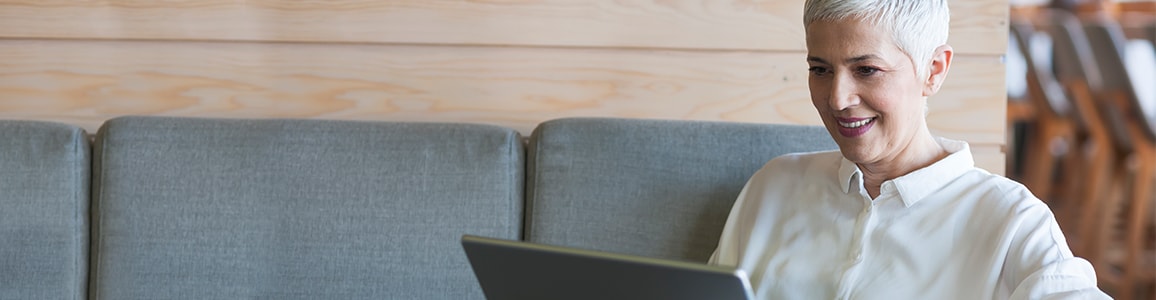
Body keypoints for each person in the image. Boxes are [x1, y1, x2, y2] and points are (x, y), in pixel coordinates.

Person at [708, 0, 1110, 299]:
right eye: (820, 70)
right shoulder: (773, 187)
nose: (837, 98)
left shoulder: (1012, 222)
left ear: (933, 70)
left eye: (867, 70)